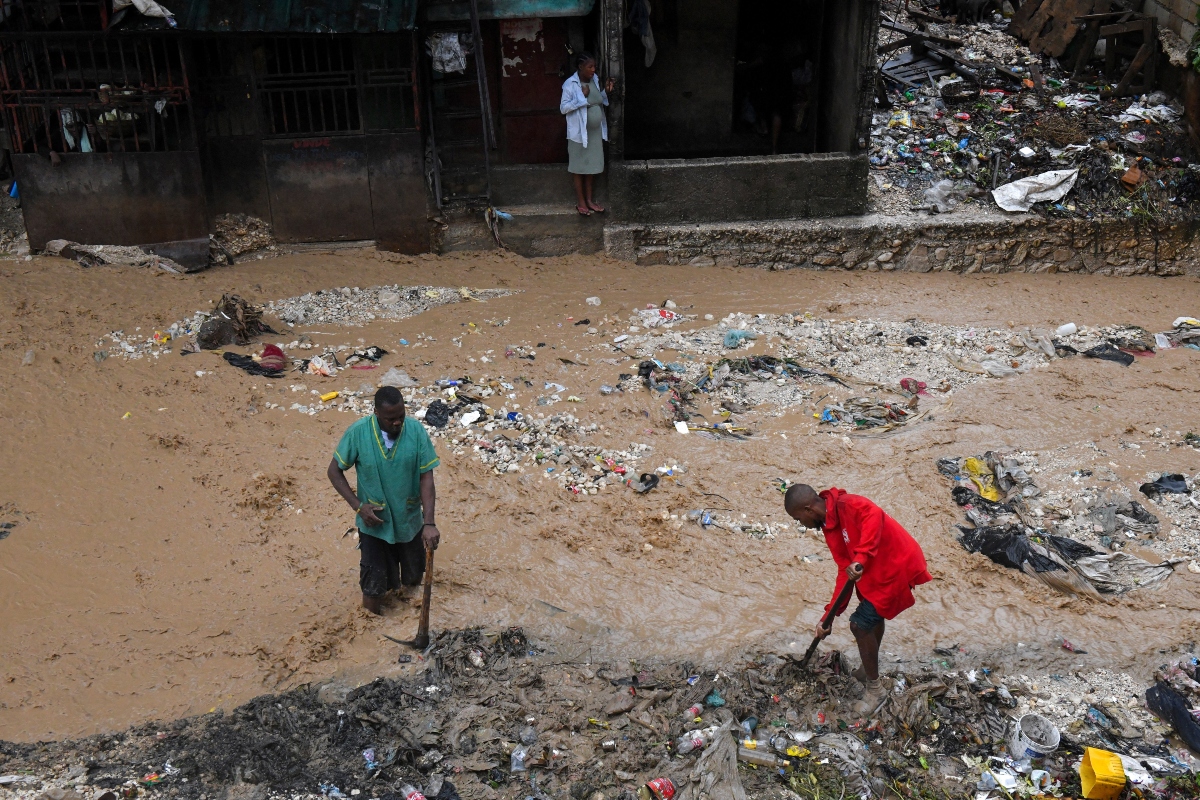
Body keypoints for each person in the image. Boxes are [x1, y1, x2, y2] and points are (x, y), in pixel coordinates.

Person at [784, 484, 931, 713]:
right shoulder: (829, 527)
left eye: (798, 518)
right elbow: (845, 570)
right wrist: (828, 617)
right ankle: (866, 669)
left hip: (896, 565)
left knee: (859, 625)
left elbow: (875, 515)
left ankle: (875, 690)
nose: (800, 523)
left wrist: (861, 557)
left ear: (807, 509)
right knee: (870, 613)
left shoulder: (848, 504)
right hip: (878, 571)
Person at [327, 387, 441, 615]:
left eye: (401, 416)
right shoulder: (359, 433)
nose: (397, 423)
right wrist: (358, 506)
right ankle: (372, 636)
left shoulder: (416, 432)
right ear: (376, 412)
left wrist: (429, 523)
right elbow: (334, 471)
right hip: (374, 525)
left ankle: (407, 622)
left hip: (409, 521)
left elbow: (426, 478)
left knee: (412, 581)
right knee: (373, 589)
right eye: (391, 419)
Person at [560, 52, 613, 216]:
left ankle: (590, 200)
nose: (593, 69)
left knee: (591, 167)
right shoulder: (570, 84)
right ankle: (581, 202)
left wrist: (606, 92)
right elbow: (564, 108)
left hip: (595, 133)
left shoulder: (595, 79)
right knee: (579, 167)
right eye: (590, 67)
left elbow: (598, 99)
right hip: (579, 133)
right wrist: (580, 98)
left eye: (594, 66)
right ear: (580, 67)